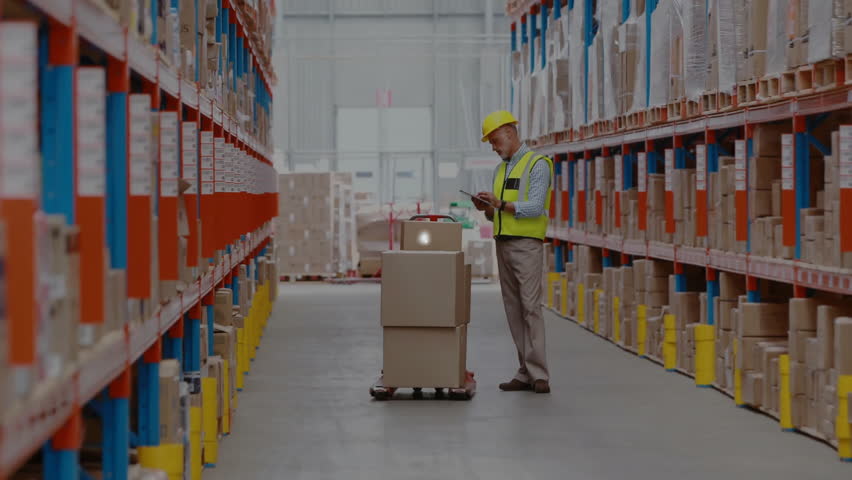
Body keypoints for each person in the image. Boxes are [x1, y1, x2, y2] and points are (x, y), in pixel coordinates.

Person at [472, 110, 553, 394]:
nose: (494, 148)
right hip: (503, 242)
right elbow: (497, 213)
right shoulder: (500, 170)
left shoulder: (537, 164)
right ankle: (525, 371)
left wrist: (500, 204)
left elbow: (535, 207)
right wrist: (487, 208)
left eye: (495, 141)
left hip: (526, 244)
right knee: (513, 309)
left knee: (530, 307)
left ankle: (539, 374)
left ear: (509, 132)